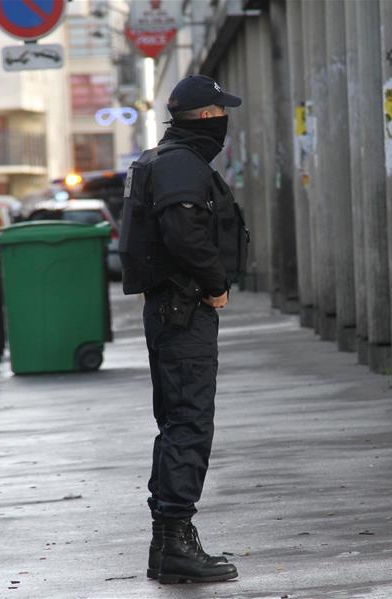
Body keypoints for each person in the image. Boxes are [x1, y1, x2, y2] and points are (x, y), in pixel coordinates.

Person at [121, 74, 247, 583]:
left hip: (173, 309)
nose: (225, 124)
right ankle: (174, 542)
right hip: (183, 308)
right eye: (222, 115)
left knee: (179, 422)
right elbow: (184, 232)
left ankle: (169, 542)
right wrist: (215, 281)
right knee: (190, 423)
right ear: (210, 119)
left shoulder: (166, 158)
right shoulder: (179, 165)